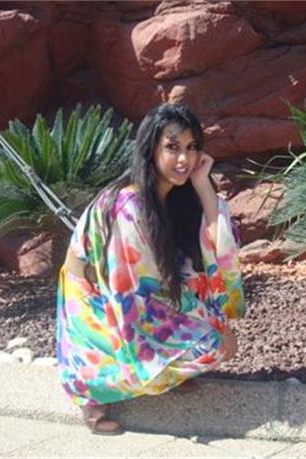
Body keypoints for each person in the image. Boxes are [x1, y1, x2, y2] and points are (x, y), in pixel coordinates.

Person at [56, 103, 246, 435]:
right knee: (210, 343)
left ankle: (165, 369)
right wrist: (211, 325)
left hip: (140, 295)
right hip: (96, 307)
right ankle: (94, 391)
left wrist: (203, 185)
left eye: (191, 147)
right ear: (150, 149)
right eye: (172, 147)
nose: (184, 159)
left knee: (207, 326)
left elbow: (218, 252)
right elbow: (132, 293)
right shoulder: (129, 206)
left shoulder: (175, 196)